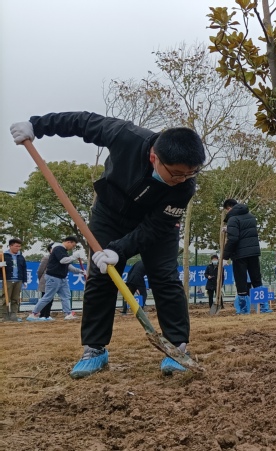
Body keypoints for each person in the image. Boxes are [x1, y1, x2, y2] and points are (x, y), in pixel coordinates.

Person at [10, 112, 206, 378]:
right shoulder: (126, 136)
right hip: (110, 214)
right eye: (177, 173)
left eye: (190, 173)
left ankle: (177, 347)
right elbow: (82, 122)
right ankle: (95, 349)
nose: (182, 179)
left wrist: (119, 249)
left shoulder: (185, 187)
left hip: (156, 224)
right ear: (154, 157)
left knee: (165, 277)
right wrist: (37, 125)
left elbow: (155, 227)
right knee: (101, 276)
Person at [27, 236, 84, 322]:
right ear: (69, 242)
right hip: (54, 277)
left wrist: (80, 271)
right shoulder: (58, 248)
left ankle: (68, 314)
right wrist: (74, 257)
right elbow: (63, 261)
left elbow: (67, 265)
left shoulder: (63, 251)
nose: (73, 248)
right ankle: (34, 314)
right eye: (73, 245)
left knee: (66, 296)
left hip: (62, 278)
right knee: (48, 297)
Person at [222, 199, 263, 314]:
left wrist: (225, 257)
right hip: (253, 252)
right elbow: (245, 231)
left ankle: (244, 309)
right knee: (256, 279)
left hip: (240, 254)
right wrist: (229, 229)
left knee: (241, 281)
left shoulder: (233, 219)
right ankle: (262, 307)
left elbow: (233, 239)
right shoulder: (251, 216)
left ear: (229, 208)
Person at [0, 238, 28, 322]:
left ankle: (13, 315)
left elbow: (24, 269)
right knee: (5, 298)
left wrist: (24, 280)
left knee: (15, 299)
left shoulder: (20, 257)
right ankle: (3, 316)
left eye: (19, 246)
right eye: (16, 246)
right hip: (7, 280)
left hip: (18, 280)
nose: (18, 248)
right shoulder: (3, 255)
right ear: (10, 246)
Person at [37, 243, 55, 319]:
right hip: (45, 281)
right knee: (45, 298)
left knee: (51, 299)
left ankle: (47, 314)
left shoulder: (58, 258)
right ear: (50, 250)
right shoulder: (46, 258)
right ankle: (42, 315)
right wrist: (41, 279)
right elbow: (40, 270)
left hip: (54, 281)